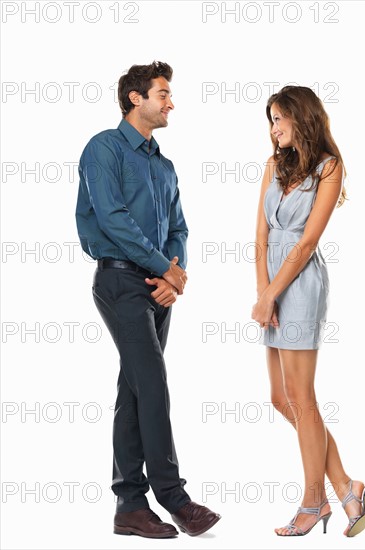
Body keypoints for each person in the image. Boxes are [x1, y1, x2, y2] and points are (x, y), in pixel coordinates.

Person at [75, 61, 220, 539]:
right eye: (163, 94)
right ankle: (174, 498)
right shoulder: (104, 148)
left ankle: (130, 505)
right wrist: (167, 270)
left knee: (134, 390)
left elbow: (179, 228)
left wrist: (173, 276)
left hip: (159, 288)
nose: (171, 102)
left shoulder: (164, 165)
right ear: (135, 98)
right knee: (153, 384)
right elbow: (113, 220)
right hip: (119, 282)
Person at [252, 86, 365, 537]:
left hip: (302, 284)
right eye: (270, 119)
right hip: (271, 286)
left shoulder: (330, 167)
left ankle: (314, 502)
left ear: (300, 118)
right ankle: (347, 485)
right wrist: (263, 292)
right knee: (281, 398)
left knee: (302, 398)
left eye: (279, 119)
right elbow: (261, 238)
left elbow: (306, 242)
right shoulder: (273, 164)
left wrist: (274, 294)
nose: (273, 128)